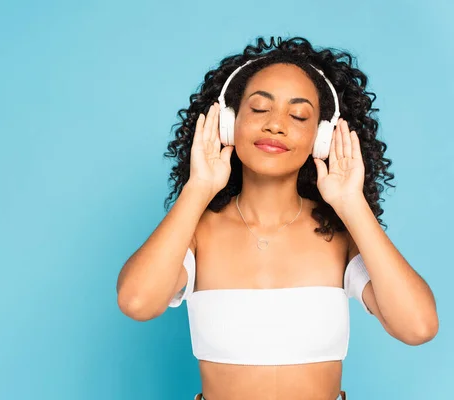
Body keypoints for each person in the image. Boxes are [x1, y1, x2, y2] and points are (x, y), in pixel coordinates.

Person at [116, 36, 439, 400]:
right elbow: (137, 302)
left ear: (322, 138)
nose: (276, 125)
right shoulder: (196, 233)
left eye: (298, 115)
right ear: (228, 123)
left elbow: (418, 327)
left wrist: (352, 204)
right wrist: (198, 187)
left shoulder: (340, 237)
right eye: (259, 109)